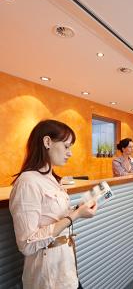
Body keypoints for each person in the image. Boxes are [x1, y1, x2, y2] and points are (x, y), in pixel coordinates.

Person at [9, 120, 97, 289]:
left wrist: (78, 210)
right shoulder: (28, 182)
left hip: (66, 268)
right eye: (66, 146)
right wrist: (75, 216)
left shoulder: (52, 179)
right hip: (47, 276)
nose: (70, 153)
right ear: (47, 142)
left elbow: (52, 217)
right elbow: (27, 243)